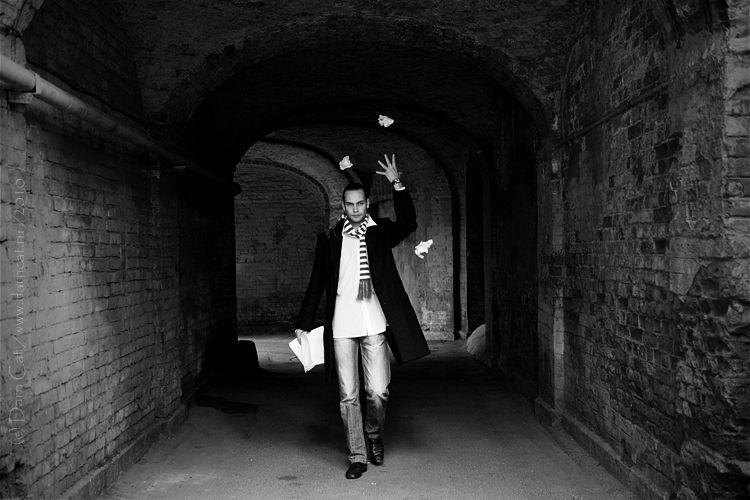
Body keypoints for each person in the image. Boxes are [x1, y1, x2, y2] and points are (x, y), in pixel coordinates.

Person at [295, 153, 430, 479]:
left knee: (379, 390)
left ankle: (373, 433)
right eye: (350, 205)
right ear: (343, 207)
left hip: (374, 322)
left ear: (367, 204)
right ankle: (357, 455)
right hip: (342, 325)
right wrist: (303, 323)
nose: (355, 209)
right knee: (348, 395)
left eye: (360, 204)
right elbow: (316, 282)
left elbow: (408, 224)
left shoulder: (380, 233)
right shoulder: (330, 240)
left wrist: (397, 184)